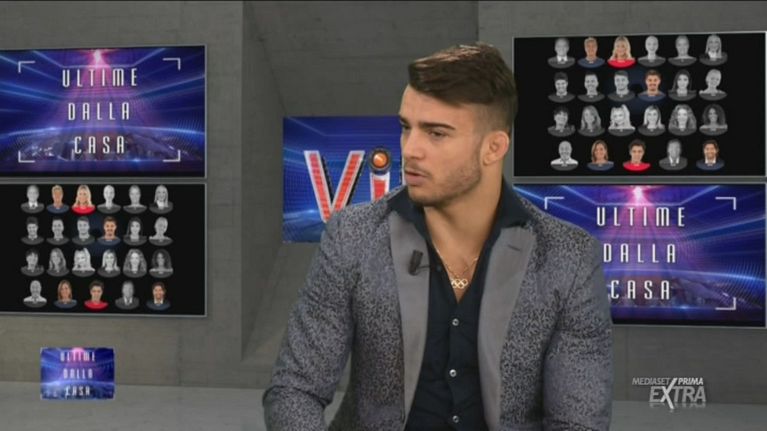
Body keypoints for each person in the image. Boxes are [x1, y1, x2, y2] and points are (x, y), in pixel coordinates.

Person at [263, 43, 612, 431]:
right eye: (406, 127)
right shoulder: (353, 237)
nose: (411, 150)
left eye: (437, 133)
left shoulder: (568, 259)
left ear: (493, 147)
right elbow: (294, 390)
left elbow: (577, 422)